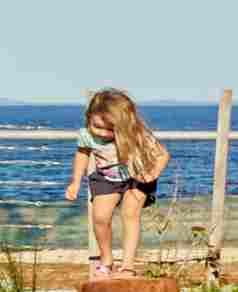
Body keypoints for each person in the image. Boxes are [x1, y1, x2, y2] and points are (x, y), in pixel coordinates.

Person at [62, 91, 165, 278]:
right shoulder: (86, 135)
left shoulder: (137, 134)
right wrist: (75, 181)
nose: (102, 133)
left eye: (110, 130)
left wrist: (152, 174)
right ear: (88, 118)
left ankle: (127, 265)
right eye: (97, 127)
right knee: (100, 217)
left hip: (137, 177)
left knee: (130, 215)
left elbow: (162, 155)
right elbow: (82, 154)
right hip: (106, 178)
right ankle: (106, 259)